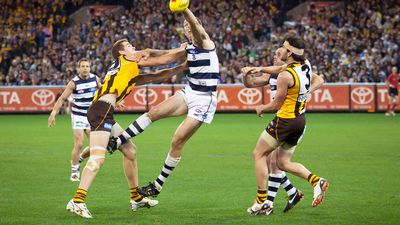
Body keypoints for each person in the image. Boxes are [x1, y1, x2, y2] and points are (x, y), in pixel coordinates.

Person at [66, 38, 188, 218]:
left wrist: (182, 67)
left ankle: (136, 198)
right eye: (130, 46)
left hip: (104, 111)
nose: (134, 47)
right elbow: (162, 59)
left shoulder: (127, 70)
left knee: (130, 150)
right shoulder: (129, 60)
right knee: (98, 159)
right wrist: (184, 50)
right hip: (100, 111)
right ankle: (77, 200)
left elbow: (157, 76)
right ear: (122, 52)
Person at [107, 8, 220, 198]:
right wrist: (149, 52)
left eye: (190, 24)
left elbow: (196, 26)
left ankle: (158, 185)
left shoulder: (205, 41)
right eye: (185, 26)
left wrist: (185, 10)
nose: (188, 27)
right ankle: (118, 141)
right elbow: (167, 54)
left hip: (204, 99)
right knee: (154, 112)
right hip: (190, 91)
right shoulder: (188, 47)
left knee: (177, 140)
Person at [246, 36, 329, 215]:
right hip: (300, 120)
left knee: (258, 154)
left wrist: (262, 107)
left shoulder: (285, 76)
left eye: (283, 48)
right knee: (282, 163)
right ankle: (316, 181)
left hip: (284, 121)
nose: (281, 50)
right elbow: (280, 68)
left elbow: (276, 105)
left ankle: (262, 200)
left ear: (290, 53)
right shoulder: (305, 63)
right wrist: (260, 68)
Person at [48, 58, 100, 182]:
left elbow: (104, 92)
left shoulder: (95, 79)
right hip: (78, 115)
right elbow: (61, 99)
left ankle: (80, 158)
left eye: (87, 66)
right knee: (79, 143)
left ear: (90, 67)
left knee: (94, 146)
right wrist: (53, 113)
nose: (85, 68)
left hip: (91, 116)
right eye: (83, 66)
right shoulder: (74, 83)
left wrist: (117, 101)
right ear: (78, 68)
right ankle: (75, 171)